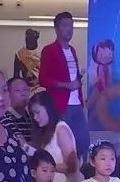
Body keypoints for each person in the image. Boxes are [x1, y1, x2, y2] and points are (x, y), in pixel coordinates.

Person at [38, 12, 89, 156]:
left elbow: (72, 78)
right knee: (64, 144)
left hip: (77, 103)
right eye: (65, 26)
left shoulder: (72, 50)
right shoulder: (49, 50)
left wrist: (78, 81)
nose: (69, 30)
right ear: (56, 29)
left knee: (83, 142)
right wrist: (67, 85)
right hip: (60, 104)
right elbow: (43, 79)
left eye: (72, 26)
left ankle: (80, 168)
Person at [28, 91, 80, 182]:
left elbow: (72, 166)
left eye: (37, 112)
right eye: (33, 114)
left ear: (48, 109)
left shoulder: (61, 130)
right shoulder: (45, 132)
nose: (35, 118)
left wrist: (46, 169)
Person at [0, 76, 36, 144]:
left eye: (25, 89)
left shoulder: (33, 115)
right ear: (8, 94)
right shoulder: (6, 118)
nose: (23, 94)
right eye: (18, 90)